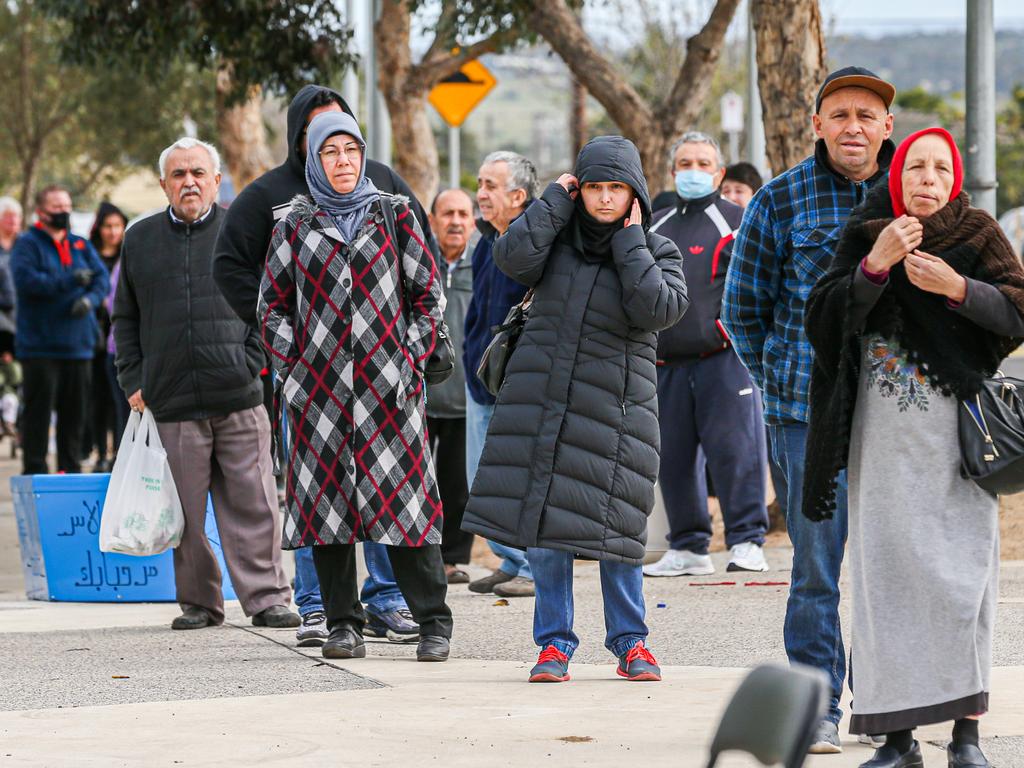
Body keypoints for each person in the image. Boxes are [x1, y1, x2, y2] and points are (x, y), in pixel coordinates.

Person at [803, 128, 1020, 768]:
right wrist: (876, 266)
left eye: (940, 168)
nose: (927, 177)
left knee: (961, 586)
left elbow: (1019, 310)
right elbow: (822, 321)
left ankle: (965, 738)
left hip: (961, 448)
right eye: (915, 166)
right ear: (896, 177)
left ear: (955, 179)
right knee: (887, 589)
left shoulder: (979, 235)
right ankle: (898, 743)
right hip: (884, 447)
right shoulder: (868, 232)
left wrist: (958, 289)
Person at [462, 136, 688, 683]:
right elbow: (510, 257)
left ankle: (631, 643)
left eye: (616, 189)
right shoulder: (553, 243)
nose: (605, 199)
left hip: (617, 415)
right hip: (543, 406)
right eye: (593, 188)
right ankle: (554, 644)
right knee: (545, 531)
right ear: (578, 189)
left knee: (618, 533)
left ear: (634, 193)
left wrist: (631, 239)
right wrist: (554, 202)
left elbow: (659, 309)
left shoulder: (657, 250)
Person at [213, 84, 427, 647]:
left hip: (383, 382)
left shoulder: (382, 187)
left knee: (387, 491)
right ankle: (318, 608)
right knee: (320, 496)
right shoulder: (271, 198)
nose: (338, 152)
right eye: (320, 133)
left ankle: (386, 600)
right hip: (315, 384)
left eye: (344, 135)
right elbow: (235, 269)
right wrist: (293, 348)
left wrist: (408, 351)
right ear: (300, 137)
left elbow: (419, 264)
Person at [722, 66, 896, 754]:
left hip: (895, 420)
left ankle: (887, 705)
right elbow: (742, 310)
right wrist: (785, 389)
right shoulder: (780, 199)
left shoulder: (908, 193)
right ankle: (818, 706)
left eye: (867, 115)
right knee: (817, 569)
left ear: (888, 127)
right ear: (818, 124)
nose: (854, 126)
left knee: (890, 568)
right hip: (805, 419)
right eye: (841, 114)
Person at [259, 111, 453, 663]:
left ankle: (433, 622)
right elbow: (271, 306)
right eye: (330, 153)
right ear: (314, 160)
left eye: (350, 151)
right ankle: (345, 624)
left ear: (363, 154)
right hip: (317, 398)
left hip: (389, 393)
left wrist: (410, 357)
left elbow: (427, 295)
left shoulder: (394, 215)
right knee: (330, 512)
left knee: (407, 508)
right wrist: (292, 366)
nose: (342, 162)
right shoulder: (292, 224)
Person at [114, 137, 298, 632]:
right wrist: (134, 378)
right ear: (163, 185)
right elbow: (124, 318)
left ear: (217, 180)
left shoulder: (245, 232)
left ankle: (267, 599)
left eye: (198, 172)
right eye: (179, 174)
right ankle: (200, 603)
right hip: (169, 401)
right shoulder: (139, 239)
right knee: (185, 514)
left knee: (255, 503)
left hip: (238, 395)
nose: (189, 182)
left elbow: (272, 303)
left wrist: (253, 363)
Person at [641, 132, 770, 578]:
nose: (692, 171)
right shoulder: (654, 224)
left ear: (718, 173)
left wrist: (729, 332)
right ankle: (689, 545)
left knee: (736, 451)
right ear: (673, 171)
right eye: (684, 163)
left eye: (702, 163)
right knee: (673, 456)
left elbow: (755, 286)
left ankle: (747, 539)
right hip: (666, 363)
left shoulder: (738, 220)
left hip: (723, 358)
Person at [463, 151, 538, 598]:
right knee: (481, 479)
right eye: (480, 183)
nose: (481, 194)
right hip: (481, 382)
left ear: (518, 195)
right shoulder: (486, 241)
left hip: (518, 385)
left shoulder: (533, 242)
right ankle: (510, 560)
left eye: (491, 186)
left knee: (517, 479)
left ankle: (531, 567)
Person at [11, 185, 109, 475]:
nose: (63, 212)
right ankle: (36, 477)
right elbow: (29, 283)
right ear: (41, 212)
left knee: (74, 418)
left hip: (78, 346)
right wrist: (70, 281)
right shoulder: (27, 245)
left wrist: (88, 301)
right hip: (40, 347)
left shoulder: (80, 245)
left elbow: (100, 278)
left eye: (67, 206)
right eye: (57, 207)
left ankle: (71, 474)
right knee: (38, 419)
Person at [426, 188, 477, 583]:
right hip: (420, 396)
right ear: (433, 220)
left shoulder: (484, 261)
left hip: (464, 393)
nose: (456, 221)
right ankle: (421, 556)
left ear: (472, 221)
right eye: (447, 213)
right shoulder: (418, 260)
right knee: (418, 484)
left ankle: (454, 558)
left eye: (463, 213)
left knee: (458, 483)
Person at [85, 202, 127, 471]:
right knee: (96, 399)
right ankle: (99, 450)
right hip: (92, 338)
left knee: (118, 402)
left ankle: (118, 453)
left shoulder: (129, 254)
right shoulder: (89, 255)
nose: (113, 232)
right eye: (107, 226)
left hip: (116, 341)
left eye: (117, 226)